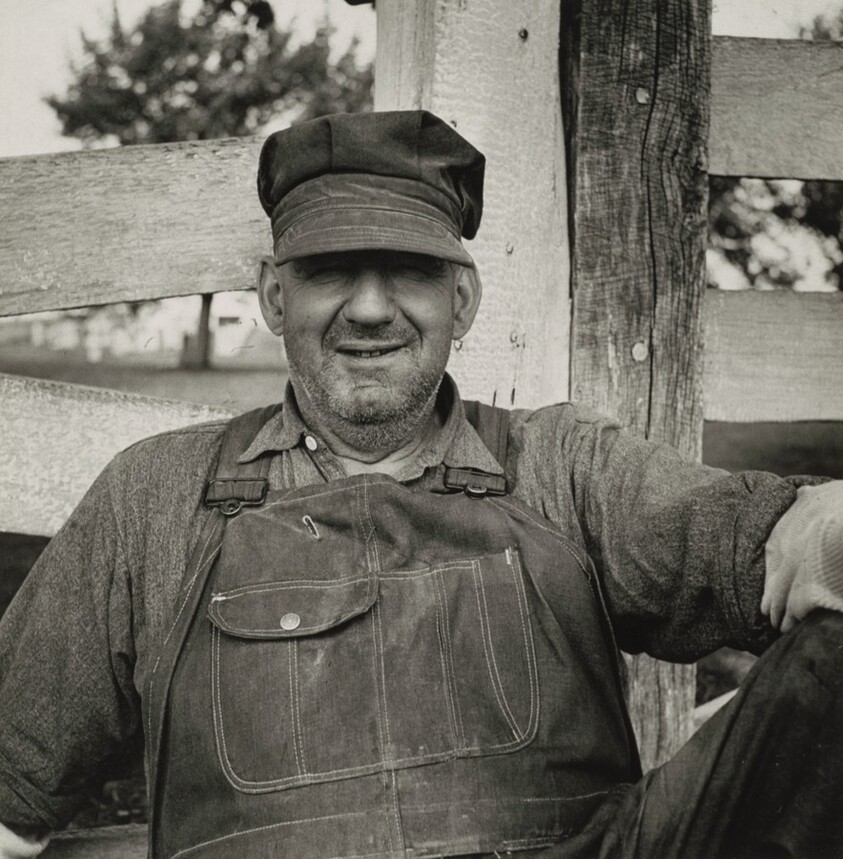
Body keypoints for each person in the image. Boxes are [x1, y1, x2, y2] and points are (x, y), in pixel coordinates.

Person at [0, 110, 841, 859]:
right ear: (271, 295)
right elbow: (10, 787)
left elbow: (758, 542)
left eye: (408, 266)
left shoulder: (561, 465)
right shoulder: (155, 497)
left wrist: (817, 540)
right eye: (330, 267)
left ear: (461, 298)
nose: (369, 307)